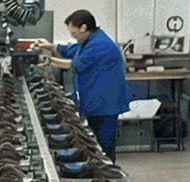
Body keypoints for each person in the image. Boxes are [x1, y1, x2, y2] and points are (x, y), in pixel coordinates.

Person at [35, 10, 130, 158]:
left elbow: (75, 64)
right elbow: (72, 50)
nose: (72, 36)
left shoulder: (99, 44)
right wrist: (50, 46)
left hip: (104, 104)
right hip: (96, 102)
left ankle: (108, 176)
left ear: (83, 28)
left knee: (103, 146)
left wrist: (50, 60)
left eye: (74, 33)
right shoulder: (91, 40)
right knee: (96, 144)